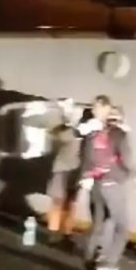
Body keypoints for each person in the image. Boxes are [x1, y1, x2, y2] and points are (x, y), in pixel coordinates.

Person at [78, 95, 136, 270]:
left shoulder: (90, 133)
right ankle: (108, 268)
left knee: (100, 224)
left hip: (95, 185)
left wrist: (86, 177)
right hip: (113, 183)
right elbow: (126, 159)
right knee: (121, 227)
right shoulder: (119, 134)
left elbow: (85, 157)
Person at [45, 99, 84, 247]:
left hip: (76, 170)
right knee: (58, 201)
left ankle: (66, 233)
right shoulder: (64, 130)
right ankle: (54, 233)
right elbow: (57, 135)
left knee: (70, 203)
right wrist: (67, 121)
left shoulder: (83, 131)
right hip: (63, 168)